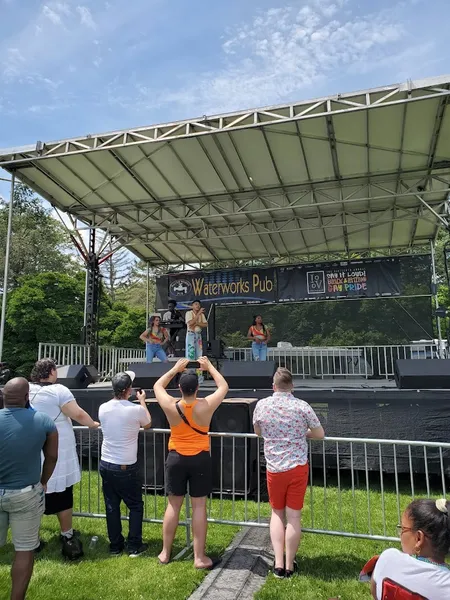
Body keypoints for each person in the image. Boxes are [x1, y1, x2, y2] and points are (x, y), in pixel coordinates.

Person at [154, 357, 228, 569]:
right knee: (198, 506)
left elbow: (157, 385)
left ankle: (165, 553)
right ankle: (199, 558)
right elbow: (223, 386)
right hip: (200, 458)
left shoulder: (170, 404)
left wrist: (175, 368)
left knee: (173, 505)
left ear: (179, 387)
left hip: (176, 457)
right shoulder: (205, 405)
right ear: (198, 388)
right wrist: (210, 367)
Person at [253, 367, 324, 579]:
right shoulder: (302, 406)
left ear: (273, 386)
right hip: (297, 467)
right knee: (294, 516)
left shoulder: (262, 405)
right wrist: (304, 433)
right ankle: (290, 564)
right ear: (291, 386)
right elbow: (320, 434)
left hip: (274, 468)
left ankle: (278, 563)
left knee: (277, 513)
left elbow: (258, 431)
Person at [29, 358, 99, 560]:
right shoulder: (59, 390)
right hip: (57, 448)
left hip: (34, 447)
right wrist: (92, 424)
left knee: (33, 494)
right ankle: (67, 533)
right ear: (51, 371)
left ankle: (31, 539)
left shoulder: (28, 389)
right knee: (63, 493)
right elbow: (77, 413)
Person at [0, 377, 58, 600]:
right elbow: (51, 457)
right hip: (26, 493)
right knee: (24, 550)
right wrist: (43, 482)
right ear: (26, 397)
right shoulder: (44, 421)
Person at [98, 371, 151, 557]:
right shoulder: (135, 410)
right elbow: (147, 423)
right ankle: (134, 545)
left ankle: (115, 546)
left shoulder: (102, 407)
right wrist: (142, 400)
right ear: (129, 390)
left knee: (112, 506)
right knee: (135, 505)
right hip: (126, 466)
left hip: (106, 463)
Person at [370, 498, 450, 599]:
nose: (400, 534)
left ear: (419, 538)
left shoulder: (388, 558)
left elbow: (375, 592)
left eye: (403, 529)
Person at [185, 300, 208, 384]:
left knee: (199, 356)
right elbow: (190, 324)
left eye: (199, 304)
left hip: (198, 335)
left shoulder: (202, 315)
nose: (198, 306)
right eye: (196, 304)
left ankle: (199, 378)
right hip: (191, 335)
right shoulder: (189, 313)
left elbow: (205, 324)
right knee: (191, 355)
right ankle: (190, 377)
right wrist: (198, 316)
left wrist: (197, 323)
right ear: (192, 306)